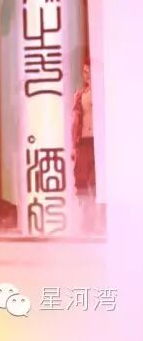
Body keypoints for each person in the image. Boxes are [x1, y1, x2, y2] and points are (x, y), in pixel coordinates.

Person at [72, 55, 99, 234]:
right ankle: (86, 223)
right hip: (84, 142)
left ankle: (97, 223)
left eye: (89, 71)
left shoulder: (103, 91)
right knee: (81, 184)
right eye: (84, 71)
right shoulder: (80, 94)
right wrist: (73, 145)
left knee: (96, 184)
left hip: (98, 143)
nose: (86, 74)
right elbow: (75, 122)